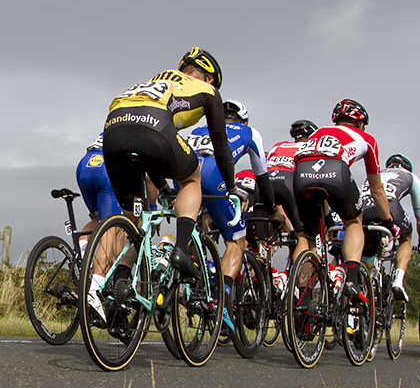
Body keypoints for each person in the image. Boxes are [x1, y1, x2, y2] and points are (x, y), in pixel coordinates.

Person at [99, 47, 237, 329]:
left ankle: (120, 287)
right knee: (192, 178)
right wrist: (231, 186)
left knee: (134, 222)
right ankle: (182, 249)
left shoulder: (153, 81)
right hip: (154, 126)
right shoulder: (206, 90)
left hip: (112, 130)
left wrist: (162, 188)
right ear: (210, 79)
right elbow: (220, 145)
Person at [181, 99, 285, 330]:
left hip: (185, 174)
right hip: (215, 176)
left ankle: (196, 265)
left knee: (193, 224)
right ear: (244, 120)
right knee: (237, 241)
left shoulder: (199, 129)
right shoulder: (250, 132)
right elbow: (263, 179)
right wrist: (271, 210)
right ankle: (223, 298)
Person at [293, 99, 395, 301]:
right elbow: (376, 189)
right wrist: (388, 221)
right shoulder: (367, 138)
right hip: (335, 170)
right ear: (361, 123)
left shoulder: (318, 132)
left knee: (307, 238)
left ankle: (302, 303)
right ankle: (351, 280)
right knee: (353, 222)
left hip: (300, 174)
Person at [360, 154, 420, 302]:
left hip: (365, 208)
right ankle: (398, 280)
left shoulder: (377, 172)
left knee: (367, 257)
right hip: (389, 205)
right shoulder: (410, 176)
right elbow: (419, 217)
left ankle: (366, 292)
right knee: (406, 238)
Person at [266, 119, 318, 260]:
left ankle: (257, 269)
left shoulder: (279, 145)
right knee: (304, 238)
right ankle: (296, 279)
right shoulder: (309, 148)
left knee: (259, 241)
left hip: (264, 185)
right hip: (287, 184)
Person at [75, 133, 122, 256]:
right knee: (109, 227)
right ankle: (97, 275)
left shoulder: (113, 123)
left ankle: (81, 257)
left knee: (96, 219)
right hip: (105, 169)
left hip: (84, 165)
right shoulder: (140, 127)